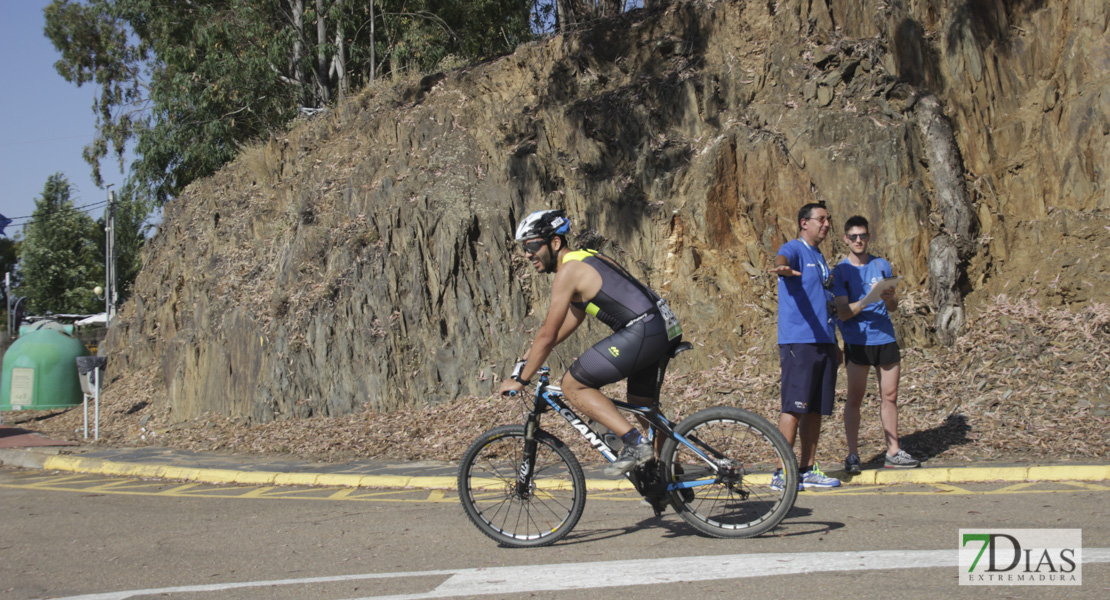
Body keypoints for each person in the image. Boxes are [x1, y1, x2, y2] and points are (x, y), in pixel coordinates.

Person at [498, 209, 683, 476]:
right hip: (662, 327)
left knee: (573, 385)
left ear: (555, 243)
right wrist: (525, 362)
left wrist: (522, 379)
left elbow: (547, 334)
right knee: (641, 403)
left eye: (532, 245)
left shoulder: (569, 272)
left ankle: (634, 444)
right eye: (524, 248)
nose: (527, 254)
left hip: (644, 329)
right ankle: (670, 474)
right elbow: (563, 328)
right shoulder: (588, 259)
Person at [832, 215, 920, 471]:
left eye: (863, 236)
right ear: (846, 239)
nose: (859, 240)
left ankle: (893, 451)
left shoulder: (881, 265)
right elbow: (843, 312)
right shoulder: (842, 270)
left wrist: (889, 297)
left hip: (885, 337)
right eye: (854, 237)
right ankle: (853, 455)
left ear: (869, 237)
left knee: (889, 396)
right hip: (857, 340)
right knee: (855, 397)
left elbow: (892, 307)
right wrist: (866, 301)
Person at [768, 201, 842, 490]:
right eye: (820, 219)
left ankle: (807, 468)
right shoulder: (796, 248)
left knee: (815, 409)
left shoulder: (820, 257)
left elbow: (826, 302)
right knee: (794, 407)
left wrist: (834, 342)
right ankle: (780, 473)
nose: (826, 224)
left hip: (824, 341)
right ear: (804, 223)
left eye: (828, 219)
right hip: (799, 341)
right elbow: (781, 257)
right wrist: (782, 267)